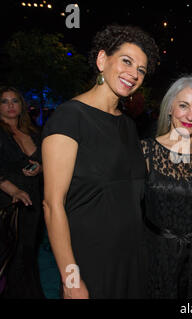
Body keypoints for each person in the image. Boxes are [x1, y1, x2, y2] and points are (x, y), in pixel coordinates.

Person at [41, 25, 159, 299]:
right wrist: (70, 279)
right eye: (126, 62)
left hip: (132, 258)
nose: (134, 74)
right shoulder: (69, 117)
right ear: (102, 60)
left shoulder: (128, 125)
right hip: (90, 262)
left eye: (141, 69)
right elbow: (51, 205)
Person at [140, 75, 192, 298]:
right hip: (158, 257)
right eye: (183, 106)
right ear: (169, 108)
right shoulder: (146, 150)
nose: (190, 116)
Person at [0, 86, 44, 298]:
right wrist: (14, 190)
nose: (10, 105)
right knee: (13, 256)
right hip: (9, 203)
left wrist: (39, 168)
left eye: (14, 101)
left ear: (21, 105)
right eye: (4, 101)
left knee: (29, 253)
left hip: (33, 199)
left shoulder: (32, 131)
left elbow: (45, 160)